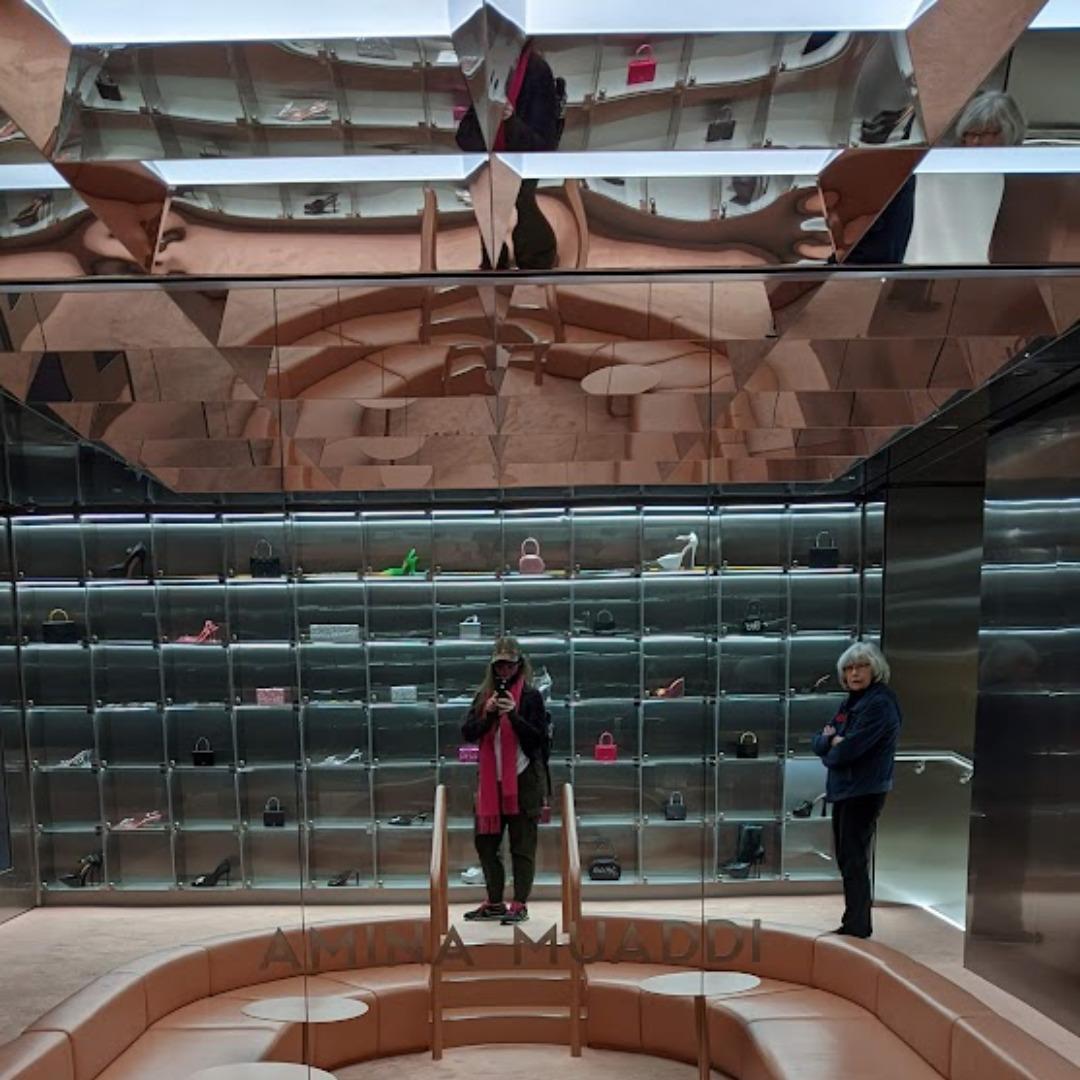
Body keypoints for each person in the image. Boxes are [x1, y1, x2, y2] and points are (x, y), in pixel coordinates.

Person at [812, 641, 901, 938]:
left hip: (863, 790)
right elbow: (820, 741)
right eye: (849, 668)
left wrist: (835, 745)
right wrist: (830, 742)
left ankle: (857, 926)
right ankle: (854, 922)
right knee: (847, 857)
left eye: (861, 666)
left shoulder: (879, 703)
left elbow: (847, 751)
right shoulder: (851, 701)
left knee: (854, 858)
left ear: (875, 668)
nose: (854, 673)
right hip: (846, 789)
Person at [460, 636, 548, 925]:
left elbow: (537, 741)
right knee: (485, 844)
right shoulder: (484, 695)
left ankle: (519, 903)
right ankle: (495, 901)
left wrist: (514, 715)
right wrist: (487, 715)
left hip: (523, 783)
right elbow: (468, 733)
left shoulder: (532, 697)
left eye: (509, 665)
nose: (504, 672)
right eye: (499, 666)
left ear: (519, 665)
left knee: (522, 846)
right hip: (490, 785)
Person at [455, 42, 562, 269]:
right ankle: (496, 264)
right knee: (488, 210)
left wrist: (510, 121)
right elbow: (464, 137)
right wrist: (486, 115)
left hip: (523, 169)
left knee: (524, 213)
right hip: (492, 169)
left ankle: (532, 263)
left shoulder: (537, 71)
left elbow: (543, 147)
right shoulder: (491, 70)